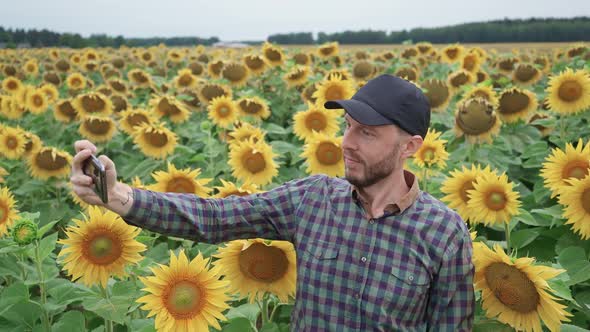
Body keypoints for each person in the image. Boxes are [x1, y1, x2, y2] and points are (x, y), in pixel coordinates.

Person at [71, 74, 474, 331]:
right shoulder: (314, 199)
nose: (346, 143)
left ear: (411, 146)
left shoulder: (443, 232)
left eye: (367, 133)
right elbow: (214, 218)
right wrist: (121, 197)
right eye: (348, 127)